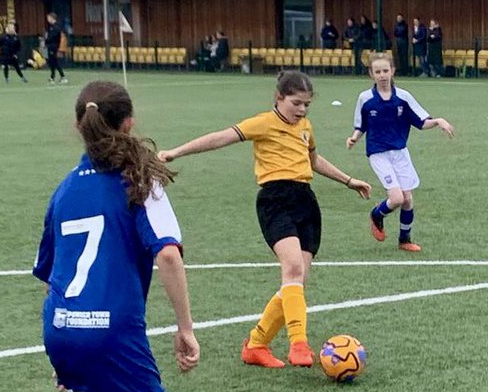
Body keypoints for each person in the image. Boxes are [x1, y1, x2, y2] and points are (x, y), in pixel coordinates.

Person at [23, 80, 200, 392]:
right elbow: (167, 252)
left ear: (81, 126)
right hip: (111, 333)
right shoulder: (139, 181)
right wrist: (186, 328)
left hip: (61, 326)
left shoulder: (65, 189)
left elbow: (49, 275)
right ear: (128, 124)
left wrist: (63, 350)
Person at [158, 71, 372, 368]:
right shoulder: (263, 123)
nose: (301, 110)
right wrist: (176, 152)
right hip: (275, 200)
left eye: (307, 105)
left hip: (305, 202)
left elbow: (313, 160)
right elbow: (220, 138)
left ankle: (257, 344)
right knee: (293, 268)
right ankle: (299, 344)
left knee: (297, 281)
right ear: (279, 97)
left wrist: (348, 180)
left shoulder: (306, 127)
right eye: (296, 103)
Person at [347, 53, 455, 252]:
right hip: (378, 153)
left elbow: (421, 122)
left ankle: (404, 240)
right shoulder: (366, 99)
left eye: (385, 70)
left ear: (393, 71)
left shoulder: (403, 97)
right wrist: (354, 137)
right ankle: (376, 215)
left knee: (407, 199)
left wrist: (438, 121)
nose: (382, 75)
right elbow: (361, 125)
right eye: (377, 71)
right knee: (396, 198)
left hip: (400, 153)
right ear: (371, 74)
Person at [45, 13, 68, 84]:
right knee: (52, 62)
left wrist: (47, 40)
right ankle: (52, 77)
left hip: (53, 46)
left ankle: (62, 77)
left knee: (54, 62)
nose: (47, 19)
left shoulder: (55, 27)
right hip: (51, 46)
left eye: (48, 18)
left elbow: (52, 37)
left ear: (52, 18)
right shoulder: (52, 26)